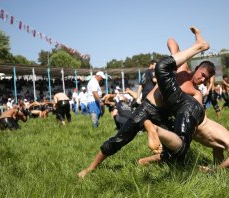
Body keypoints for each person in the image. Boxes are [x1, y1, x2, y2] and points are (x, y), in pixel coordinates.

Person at [78, 26, 213, 178]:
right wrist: (182, 53)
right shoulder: (181, 68)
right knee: (120, 138)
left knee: (176, 150)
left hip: (163, 116)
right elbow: (171, 41)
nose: (201, 80)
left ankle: (145, 161)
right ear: (196, 69)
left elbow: (198, 115)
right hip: (148, 107)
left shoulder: (195, 92)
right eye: (201, 75)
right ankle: (90, 168)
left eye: (205, 79)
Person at [139, 118, 229, 170]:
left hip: (188, 126)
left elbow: (220, 163)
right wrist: (213, 171)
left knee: (174, 155)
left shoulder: (221, 143)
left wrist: (217, 168)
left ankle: (142, 161)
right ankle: (154, 128)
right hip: (188, 124)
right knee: (178, 152)